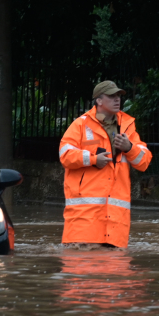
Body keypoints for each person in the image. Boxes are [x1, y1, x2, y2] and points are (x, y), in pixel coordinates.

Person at [58, 80, 152, 248]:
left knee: (115, 271)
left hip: (116, 225)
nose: (117, 100)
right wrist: (93, 159)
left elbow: (144, 162)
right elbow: (65, 155)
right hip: (84, 223)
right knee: (81, 270)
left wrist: (129, 148)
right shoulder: (80, 124)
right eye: (111, 96)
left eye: (118, 96)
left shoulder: (127, 127)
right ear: (99, 101)